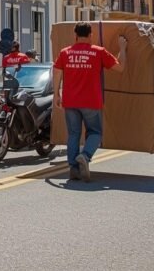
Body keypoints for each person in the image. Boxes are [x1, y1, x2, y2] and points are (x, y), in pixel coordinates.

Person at [52, 22, 127, 182]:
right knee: (95, 133)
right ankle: (85, 157)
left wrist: (56, 94)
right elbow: (120, 68)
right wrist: (122, 48)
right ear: (91, 35)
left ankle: (73, 167)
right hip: (91, 101)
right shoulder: (98, 52)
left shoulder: (65, 53)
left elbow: (57, 72)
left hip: (70, 100)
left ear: (75, 35)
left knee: (73, 134)